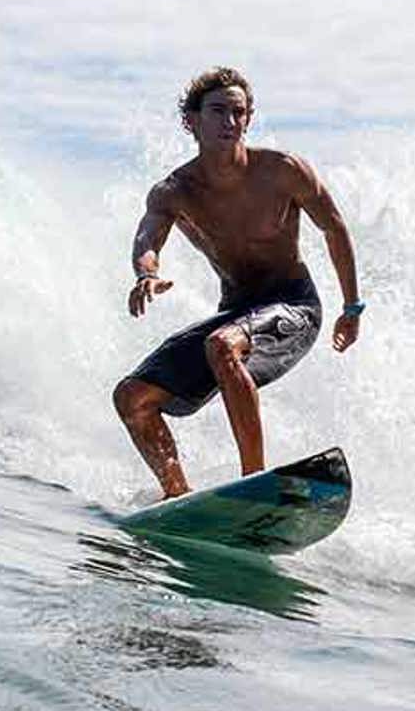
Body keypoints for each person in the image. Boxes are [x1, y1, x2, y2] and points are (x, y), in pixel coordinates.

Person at [113, 66, 363, 497]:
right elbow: (148, 235)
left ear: (249, 118)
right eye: (218, 112)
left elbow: (335, 228)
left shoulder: (284, 170)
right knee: (132, 397)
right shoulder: (174, 191)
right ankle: (178, 496)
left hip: (294, 306)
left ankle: (254, 486)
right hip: (237, 311)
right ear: (191, 120)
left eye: (239, 112)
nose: (230, 122)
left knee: (222, 346)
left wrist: (351, 307)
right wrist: (146, 273)